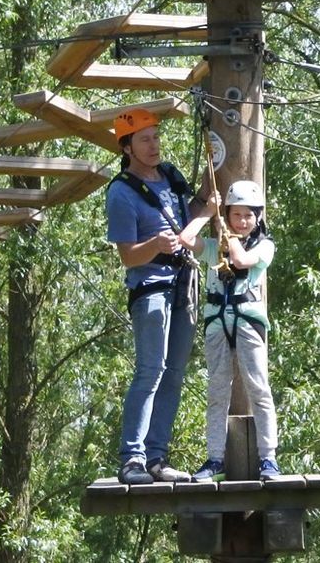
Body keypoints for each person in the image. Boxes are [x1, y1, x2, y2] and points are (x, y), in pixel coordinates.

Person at [106, 107, 211, 485]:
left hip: (182, 283)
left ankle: (156, 457)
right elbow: (127, 257)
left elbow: (192, 214)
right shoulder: (121, 193)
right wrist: (154, 244)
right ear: (128, 146)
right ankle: (131, 459)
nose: (154, 145)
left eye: (156, 137)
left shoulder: (170, 176)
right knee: (150, 371)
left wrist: (204, 193)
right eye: (145, 139)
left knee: (174, 373)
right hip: (151, 289)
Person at [178, 180, 281, 481]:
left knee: (258, 388)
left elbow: (241, 260)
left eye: (249, 215)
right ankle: (215, 459)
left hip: (248, 322)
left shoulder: (265, 246)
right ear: (229, 215)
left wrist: (227, 231)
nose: (244, 221)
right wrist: (208, 213)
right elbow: (185, 239)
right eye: (237, 215)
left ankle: (268, 458)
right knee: (217, 391)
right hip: (217, 324)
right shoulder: (213, 249)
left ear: (258, 217)